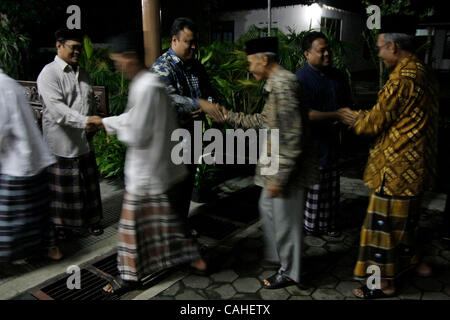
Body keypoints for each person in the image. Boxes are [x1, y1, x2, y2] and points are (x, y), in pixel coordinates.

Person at [93, 31, 207, 294]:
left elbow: (136, 131)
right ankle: (193, 258)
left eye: (117, 60)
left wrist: (104, 124)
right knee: (164, 222)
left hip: (146, 172)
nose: (117, 66)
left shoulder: (145, 87)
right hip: (157, 170)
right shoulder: (150, 83)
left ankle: (131, 276)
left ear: (129, 57)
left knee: (131, 228)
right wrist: (107, 123)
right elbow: (134, 118)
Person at [212, 37, 319, 289]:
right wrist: (230, 117)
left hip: (286, 173)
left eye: (251, 62)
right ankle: (281, 258)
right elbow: (262, 121)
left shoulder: (283, 85)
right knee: (269, 210)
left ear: (263, 59)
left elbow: (292, 136)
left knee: (286, 223)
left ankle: (290, 270)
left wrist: (279, 178)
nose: (250, 69)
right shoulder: (276, 85)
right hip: (276, 170)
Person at [350, 15, 439, 299]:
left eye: (380, 47)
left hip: (394, 170)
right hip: (417, 167)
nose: (378, 53)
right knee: (407, 224)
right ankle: (416, 264)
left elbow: (373, 123)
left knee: (382, 231)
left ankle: (384, 284)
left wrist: (352, 117)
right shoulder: (423, 71)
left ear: (394, 47)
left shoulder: (400, 80)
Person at [151, 17, 224, 228]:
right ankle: (168, 237)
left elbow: (210, 94)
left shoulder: (196, 67)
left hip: (192, 138)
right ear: (174, 40)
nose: (193, 46)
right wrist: (195, 104)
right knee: (170, 193)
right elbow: (165, 99)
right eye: (188, 42)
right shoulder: (162, 67)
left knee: (185, 189)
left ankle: (181, 229)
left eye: (195, 42)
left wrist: (208, 105)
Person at [37, 28, 104, 240]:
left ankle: (93, 221)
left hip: (84, 140)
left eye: (79, 49)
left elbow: (88, 101)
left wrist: (92, 121)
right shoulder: (49, 74)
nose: (77, 52)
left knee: (88, 186)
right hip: (61, 142)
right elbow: (58, 110)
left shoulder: (83, 73)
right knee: (63, 192)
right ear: (59, 45)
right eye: (73, 48)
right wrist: (85, 121)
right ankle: (63, 227)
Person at [0, 68, 62, 265]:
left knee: (12, 221)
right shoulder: (7, 83)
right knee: (39, 212)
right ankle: (51, 249)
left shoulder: (2, 86)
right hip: (32, 159)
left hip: (17, 163)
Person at [295, 31, 355, 237]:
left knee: (330, 189)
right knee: (314, 189)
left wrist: (345, 117)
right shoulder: (300, 79)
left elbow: (347, 104)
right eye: (322, 51)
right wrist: (335, 114)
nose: (327, 54)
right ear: (307, 54)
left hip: (332, 143)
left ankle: (329, 224)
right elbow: (305, 113)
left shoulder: (337, 76)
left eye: (328, 49)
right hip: (311, 145)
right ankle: (309, 227)